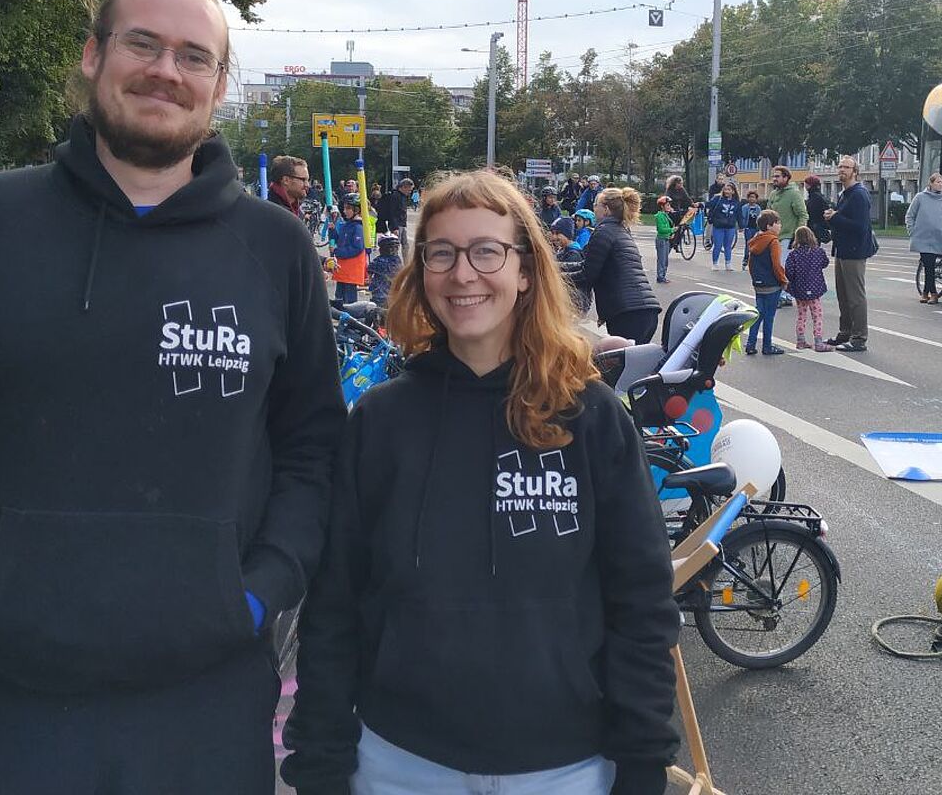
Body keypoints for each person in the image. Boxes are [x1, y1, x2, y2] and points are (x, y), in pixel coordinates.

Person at [0, 0, 346, 792]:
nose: (165, 70)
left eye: (193, 56)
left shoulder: (275, 250)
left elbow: (315, 452)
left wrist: (258, 591)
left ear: (216, 86)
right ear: (93, 56)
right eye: (143, 43)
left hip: (202, 709)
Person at [282, 169, 679, 795]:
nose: (463, 273)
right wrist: (319, 757)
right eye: (442, 252)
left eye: (487, 251)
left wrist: (643, 759)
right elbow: (334, 606)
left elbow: (643, 604)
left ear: (525, 270)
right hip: (400, 762)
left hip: (568, 767)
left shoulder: (591, 417)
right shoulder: (380, 422)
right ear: (421, 274)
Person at [576, 187, 662, 344]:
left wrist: (553, 276)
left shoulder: (603, 231)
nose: (594, 208)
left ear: (606, 209)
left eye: (596, 204)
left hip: (627, 314)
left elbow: (587, 274)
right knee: (634, 365)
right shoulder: (620, 230)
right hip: (645, 312)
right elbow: (586, 263)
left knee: (622, 365)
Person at [823, 155, 875, 352]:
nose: (841, 170)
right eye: (840, 166)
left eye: (846, 167)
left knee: (855, 296)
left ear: (855, 172)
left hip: (854, 251)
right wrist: (832, 218)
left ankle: (859, 337)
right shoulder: (844, 193)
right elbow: (844, 221)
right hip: (843, 250)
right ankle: (845, 332)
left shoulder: (859, 194)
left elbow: (861, 227)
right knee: (843, 296)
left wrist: (836, 218)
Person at [744, 210, 789, 356]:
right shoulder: (773, 241)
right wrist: (783, 280)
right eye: (778, 223)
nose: (780, 225)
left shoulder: (755, 240)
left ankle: (751, 344)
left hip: (759, 283)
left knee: (758, 314)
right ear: (770, 226)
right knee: (769, 317)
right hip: (772, 284)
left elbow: (751, 263)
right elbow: (776, 265)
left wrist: (755, 278)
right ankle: (767, 345)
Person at [785, 226, 833, 351]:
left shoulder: (793, 254)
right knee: (817, 315)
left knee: (802, 315)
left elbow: (789, 272)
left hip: (799, 289)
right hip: (815, 288)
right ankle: (818, 342)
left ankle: (800, 340)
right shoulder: (818, 252)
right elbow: (825, 263)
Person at [906, 172, 942, 304]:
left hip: (938, 237)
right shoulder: (920, 197)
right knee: (929, 264)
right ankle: (933, 293)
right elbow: (910, 215)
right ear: (931, 183)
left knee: (929, 266)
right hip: (923, 237)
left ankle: (926, 292)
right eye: (937, 182)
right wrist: (912, 231)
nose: (940, 185)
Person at [766, 166, 807, 305]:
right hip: (773, 237)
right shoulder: (773, 194)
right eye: (773, 176)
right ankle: (786, 295)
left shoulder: (794, 194)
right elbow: (768, 214)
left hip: (788, 236)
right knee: (774, 266)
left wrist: (798, 236)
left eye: (777, 176)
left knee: (782, 267)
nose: (774, 179)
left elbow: (803, 215)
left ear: (786, 177)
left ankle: (784, 296)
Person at [331, 193, 369, 305]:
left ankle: (350, 320)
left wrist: (337, 252)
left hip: (351, 271)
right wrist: (333, 232)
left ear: (357, 210)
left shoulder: (358, 227)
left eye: (348, 208)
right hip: (343, 270)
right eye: (344, 208)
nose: (345, 211)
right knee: (339, 298)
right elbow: (340, 240)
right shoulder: (347, 225)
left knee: (349, 301)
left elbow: (357, 248)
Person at [549, 216, 589, 311]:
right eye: (553, 233)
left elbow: (568, 282)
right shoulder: (562, 250)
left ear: (568, 234)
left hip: (572, 304)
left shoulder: (574, 254)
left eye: (558, 233)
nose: (554, 237)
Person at [705, 180, 741, 271]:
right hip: (718, 226)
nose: (726, 191)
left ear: (733, 191)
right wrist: (700, 205)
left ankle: (728, 263)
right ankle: (715, 263)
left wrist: (742, 226)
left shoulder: (736, 202)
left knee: (728, 246)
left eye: (729, 190)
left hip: (730, 227)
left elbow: (739, 215)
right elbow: (709, 204)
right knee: (717, 245)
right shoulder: (718, 199)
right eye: (725, 189)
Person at [374, 177, 415, 251]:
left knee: (405, 245)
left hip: (402, 224)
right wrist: (395, 227)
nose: (410, 192)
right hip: (396, 225)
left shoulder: (403, 196)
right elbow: (392, 212)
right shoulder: (395, 196)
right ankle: (395, 260)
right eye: (409, 190)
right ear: (403, 187)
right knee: (395, 245)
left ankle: (406, 262)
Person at [368, 232, 403, 310]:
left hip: (380, 294)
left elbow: (370, 270)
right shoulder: (397, 260)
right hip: (391, 294)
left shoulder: (379, 260)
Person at [663, 176, 693, 252]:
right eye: (679, 183)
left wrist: (693, 204)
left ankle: (677, 244)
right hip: (671, 211)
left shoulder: (682, 190)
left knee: (681, 227)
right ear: (675, 183)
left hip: (678, 210)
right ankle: (669, 244)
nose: (681, 185)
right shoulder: (670, 190)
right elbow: (667, 200)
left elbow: (687, 198)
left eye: (681, 183)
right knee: (671, 229)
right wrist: (670, 208)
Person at [653, 195, 675, 284]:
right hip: (661, 240)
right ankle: (660, 277)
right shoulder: (659, 216)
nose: (669, 207)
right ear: (662, 206)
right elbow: (661, 229)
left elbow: (669, 225)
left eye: (669, 205)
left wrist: (670, 233)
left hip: (666, 239)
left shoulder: (666, 215)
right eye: (667, 205)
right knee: (662, 259)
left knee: (665, 259)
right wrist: (672, 230)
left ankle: (663, 276)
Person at [804, 175, 831, 244]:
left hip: (814, 228)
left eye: (806, 183)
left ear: (810, 185)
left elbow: (812, 213)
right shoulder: (819, 196)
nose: (805, 185)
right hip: (817, 226)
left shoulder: (814, 197)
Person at [739, 190, 762, 268]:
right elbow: (742, 218)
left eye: (754, 197)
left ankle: (754, 260)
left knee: (755, 244)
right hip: (748, 228)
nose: (752, 199)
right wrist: (741, 227)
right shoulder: (745, 207)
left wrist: (760, 228)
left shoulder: (758, 208)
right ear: (748, 198)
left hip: (755, 228)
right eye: (750, 197)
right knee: (748, 244)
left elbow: (760, 218)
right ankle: (745, 259)